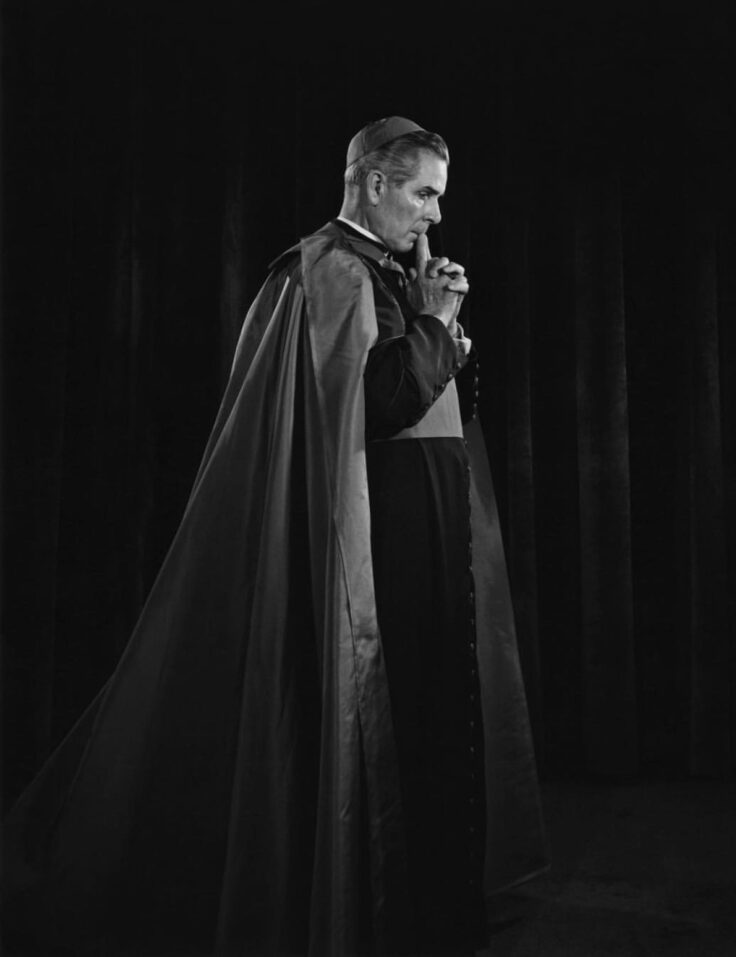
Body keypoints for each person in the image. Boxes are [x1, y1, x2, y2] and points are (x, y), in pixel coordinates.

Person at [2, 117, 546, 957]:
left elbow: (419, 403)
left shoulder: (386, 273)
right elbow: (374, 409)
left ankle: (431, 912)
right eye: (423, 192)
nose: (434, 215)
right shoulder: (327, 272)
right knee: (389, 724)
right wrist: (435, 325)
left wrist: (446, 338)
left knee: (433, 717)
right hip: (373, 543)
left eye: (439, 195)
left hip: (423, 523)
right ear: (373, 183)